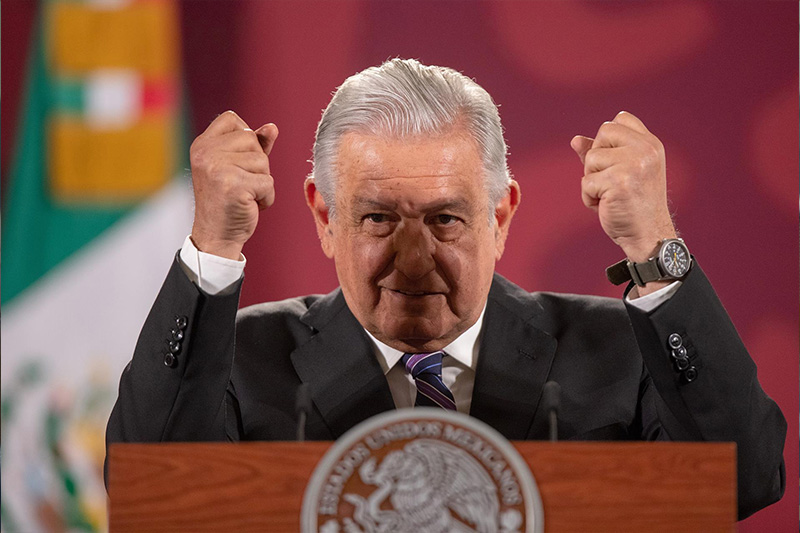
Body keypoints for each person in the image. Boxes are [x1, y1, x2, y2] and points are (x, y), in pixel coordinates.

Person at [106, 59, 785, 519]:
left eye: (445, 219)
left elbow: (742, 480)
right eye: (377, 217)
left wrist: (653, 245)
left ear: (501, 215)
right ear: (323, 215)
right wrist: (213, 247)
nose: (414, 259)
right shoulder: (236, 358)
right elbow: (148, 494)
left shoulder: (621, 350)